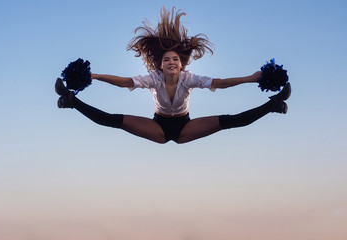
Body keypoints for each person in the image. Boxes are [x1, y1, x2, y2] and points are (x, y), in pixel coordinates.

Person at [55, 7, 291, 144]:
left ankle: (274, 105)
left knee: (229, 121)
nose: (170, 62)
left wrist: (251, 78)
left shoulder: (189, 78)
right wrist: (94, 75)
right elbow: (126, 82)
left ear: (181, 64)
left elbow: (220, 83)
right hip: (158, 126)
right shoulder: (153, 78)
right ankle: (70, 100)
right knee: (113, 120)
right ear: (161, 63)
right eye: (166, 59)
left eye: (175, 59)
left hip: (184, 126)